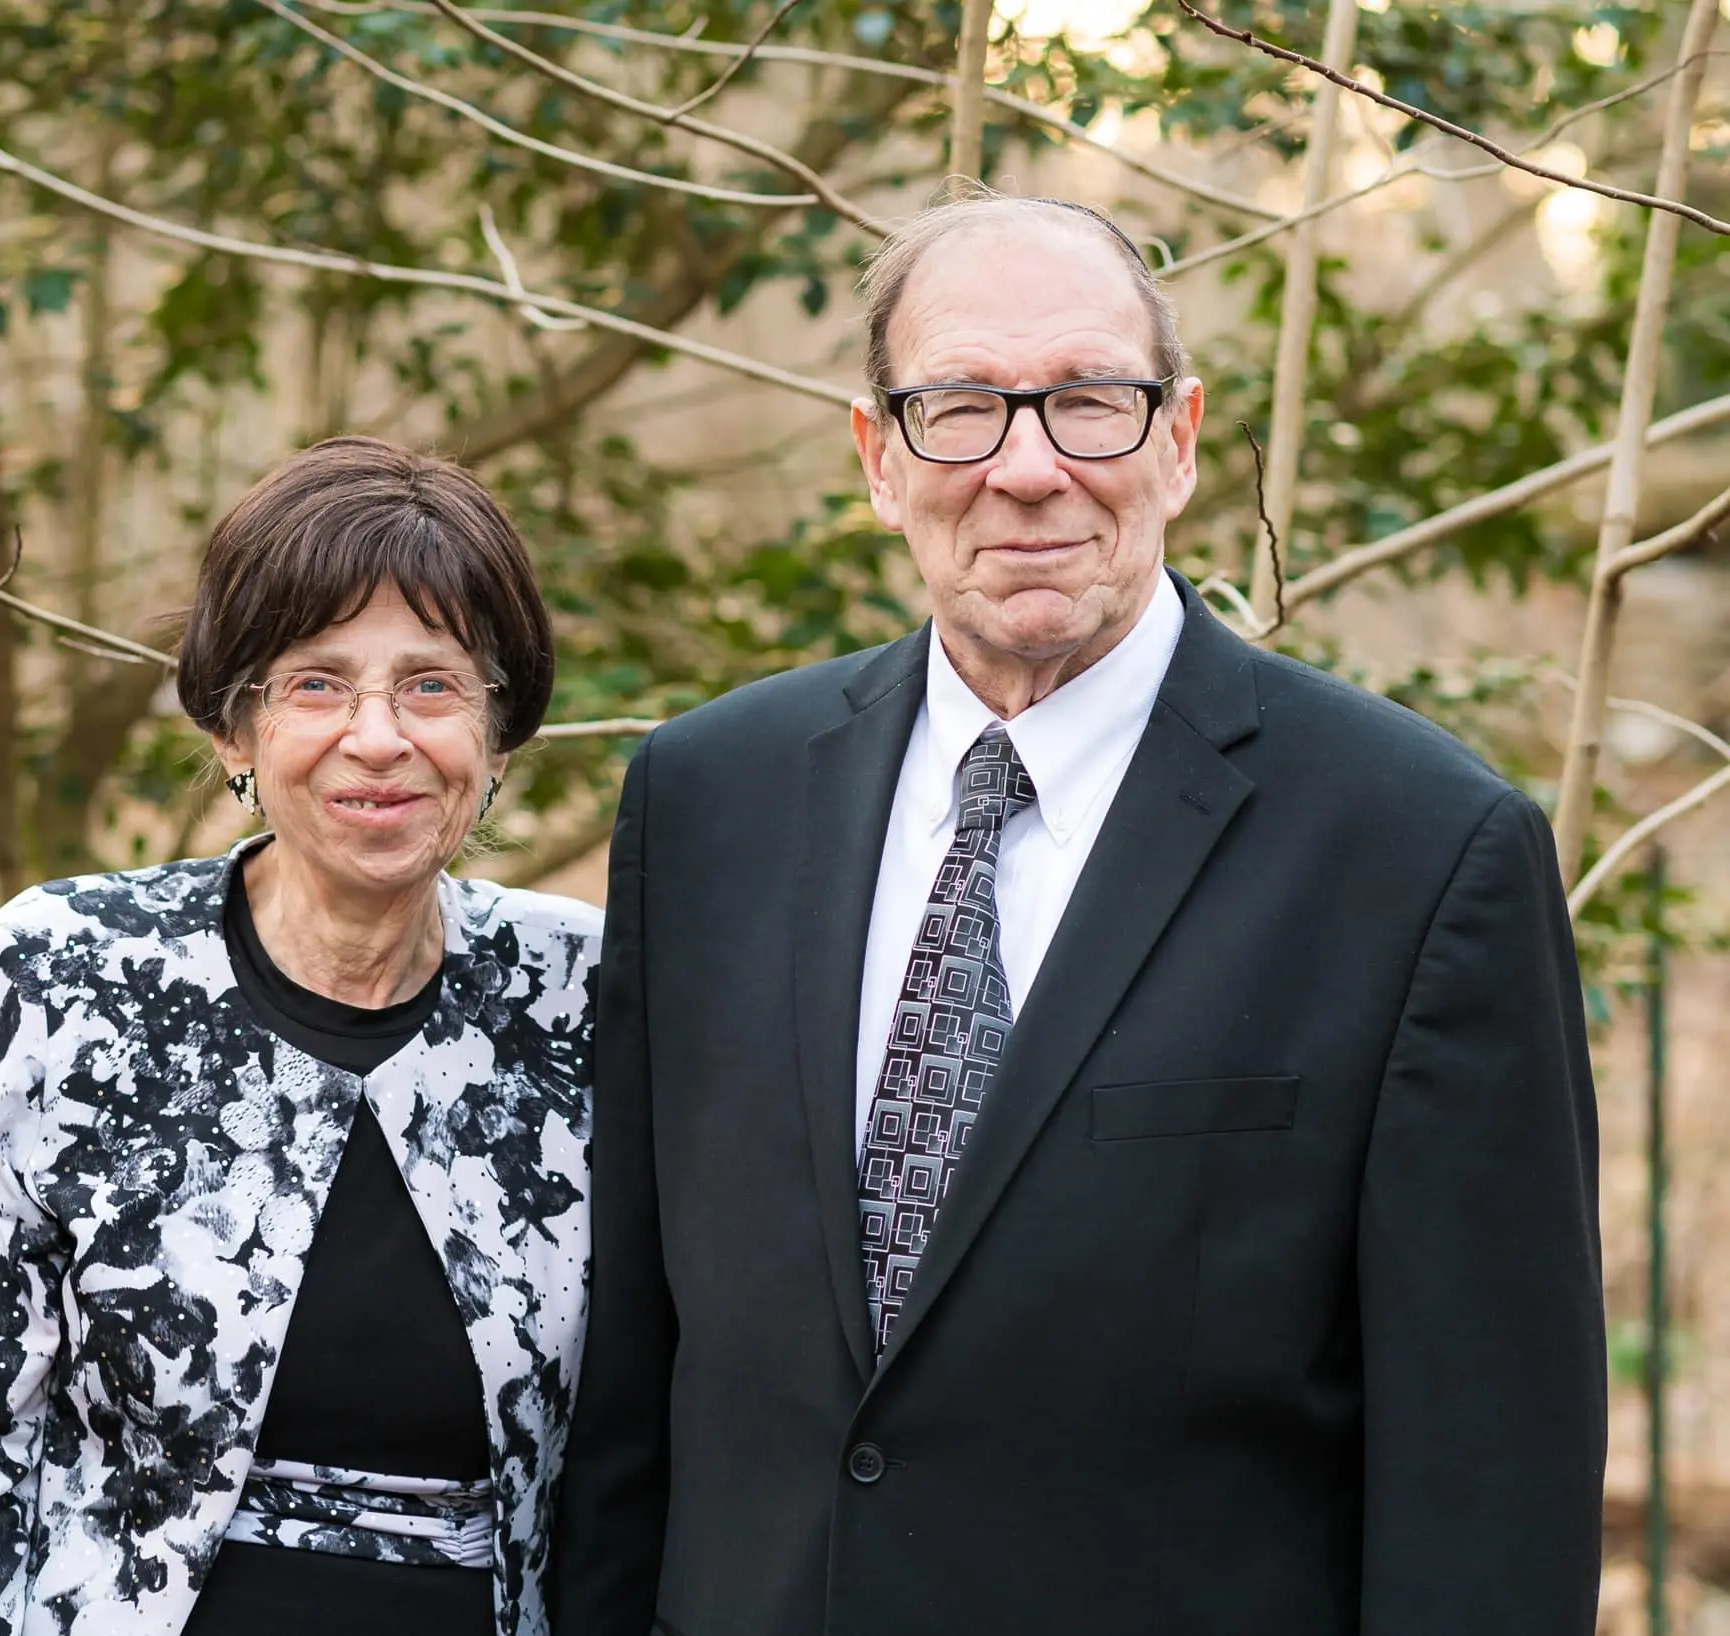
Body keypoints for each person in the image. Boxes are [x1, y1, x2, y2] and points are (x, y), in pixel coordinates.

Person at [552, 193, 1604, 1636]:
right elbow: (631, 1386)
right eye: (960, 408)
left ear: (1180, 439)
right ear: (877, 457)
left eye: (1090, 401)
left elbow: (1490, 1482)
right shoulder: (707, 801)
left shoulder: (1421, 851)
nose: (1029, 468)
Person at [0, 436, 601, 1636]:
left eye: (430, 686)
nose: (377, 737)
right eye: (315, 684)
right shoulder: (65, 972)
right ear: (235, 732)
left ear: (496, 737)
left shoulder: (585, 991)